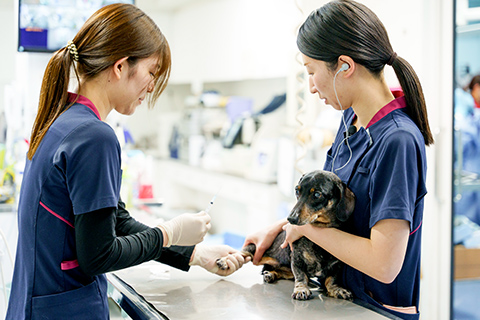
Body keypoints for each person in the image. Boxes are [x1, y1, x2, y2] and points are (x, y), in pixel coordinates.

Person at [6, 4, 246, 319]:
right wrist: (168, 232)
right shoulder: (94, 136)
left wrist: (194, 254)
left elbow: (115, 222)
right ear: (120, 67)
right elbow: (99, 255)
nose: (151, 86)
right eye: (152, 72)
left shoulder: (65, 120)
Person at [244, 1, 433, 319]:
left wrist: (304, 230)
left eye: (311, 72)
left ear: (344, 66)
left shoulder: (397, 141)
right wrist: (280, 228)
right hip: (336, 299)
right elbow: (325, 206)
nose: (312, 87)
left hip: (373, 309)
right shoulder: (351, 120)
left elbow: (384, 264)